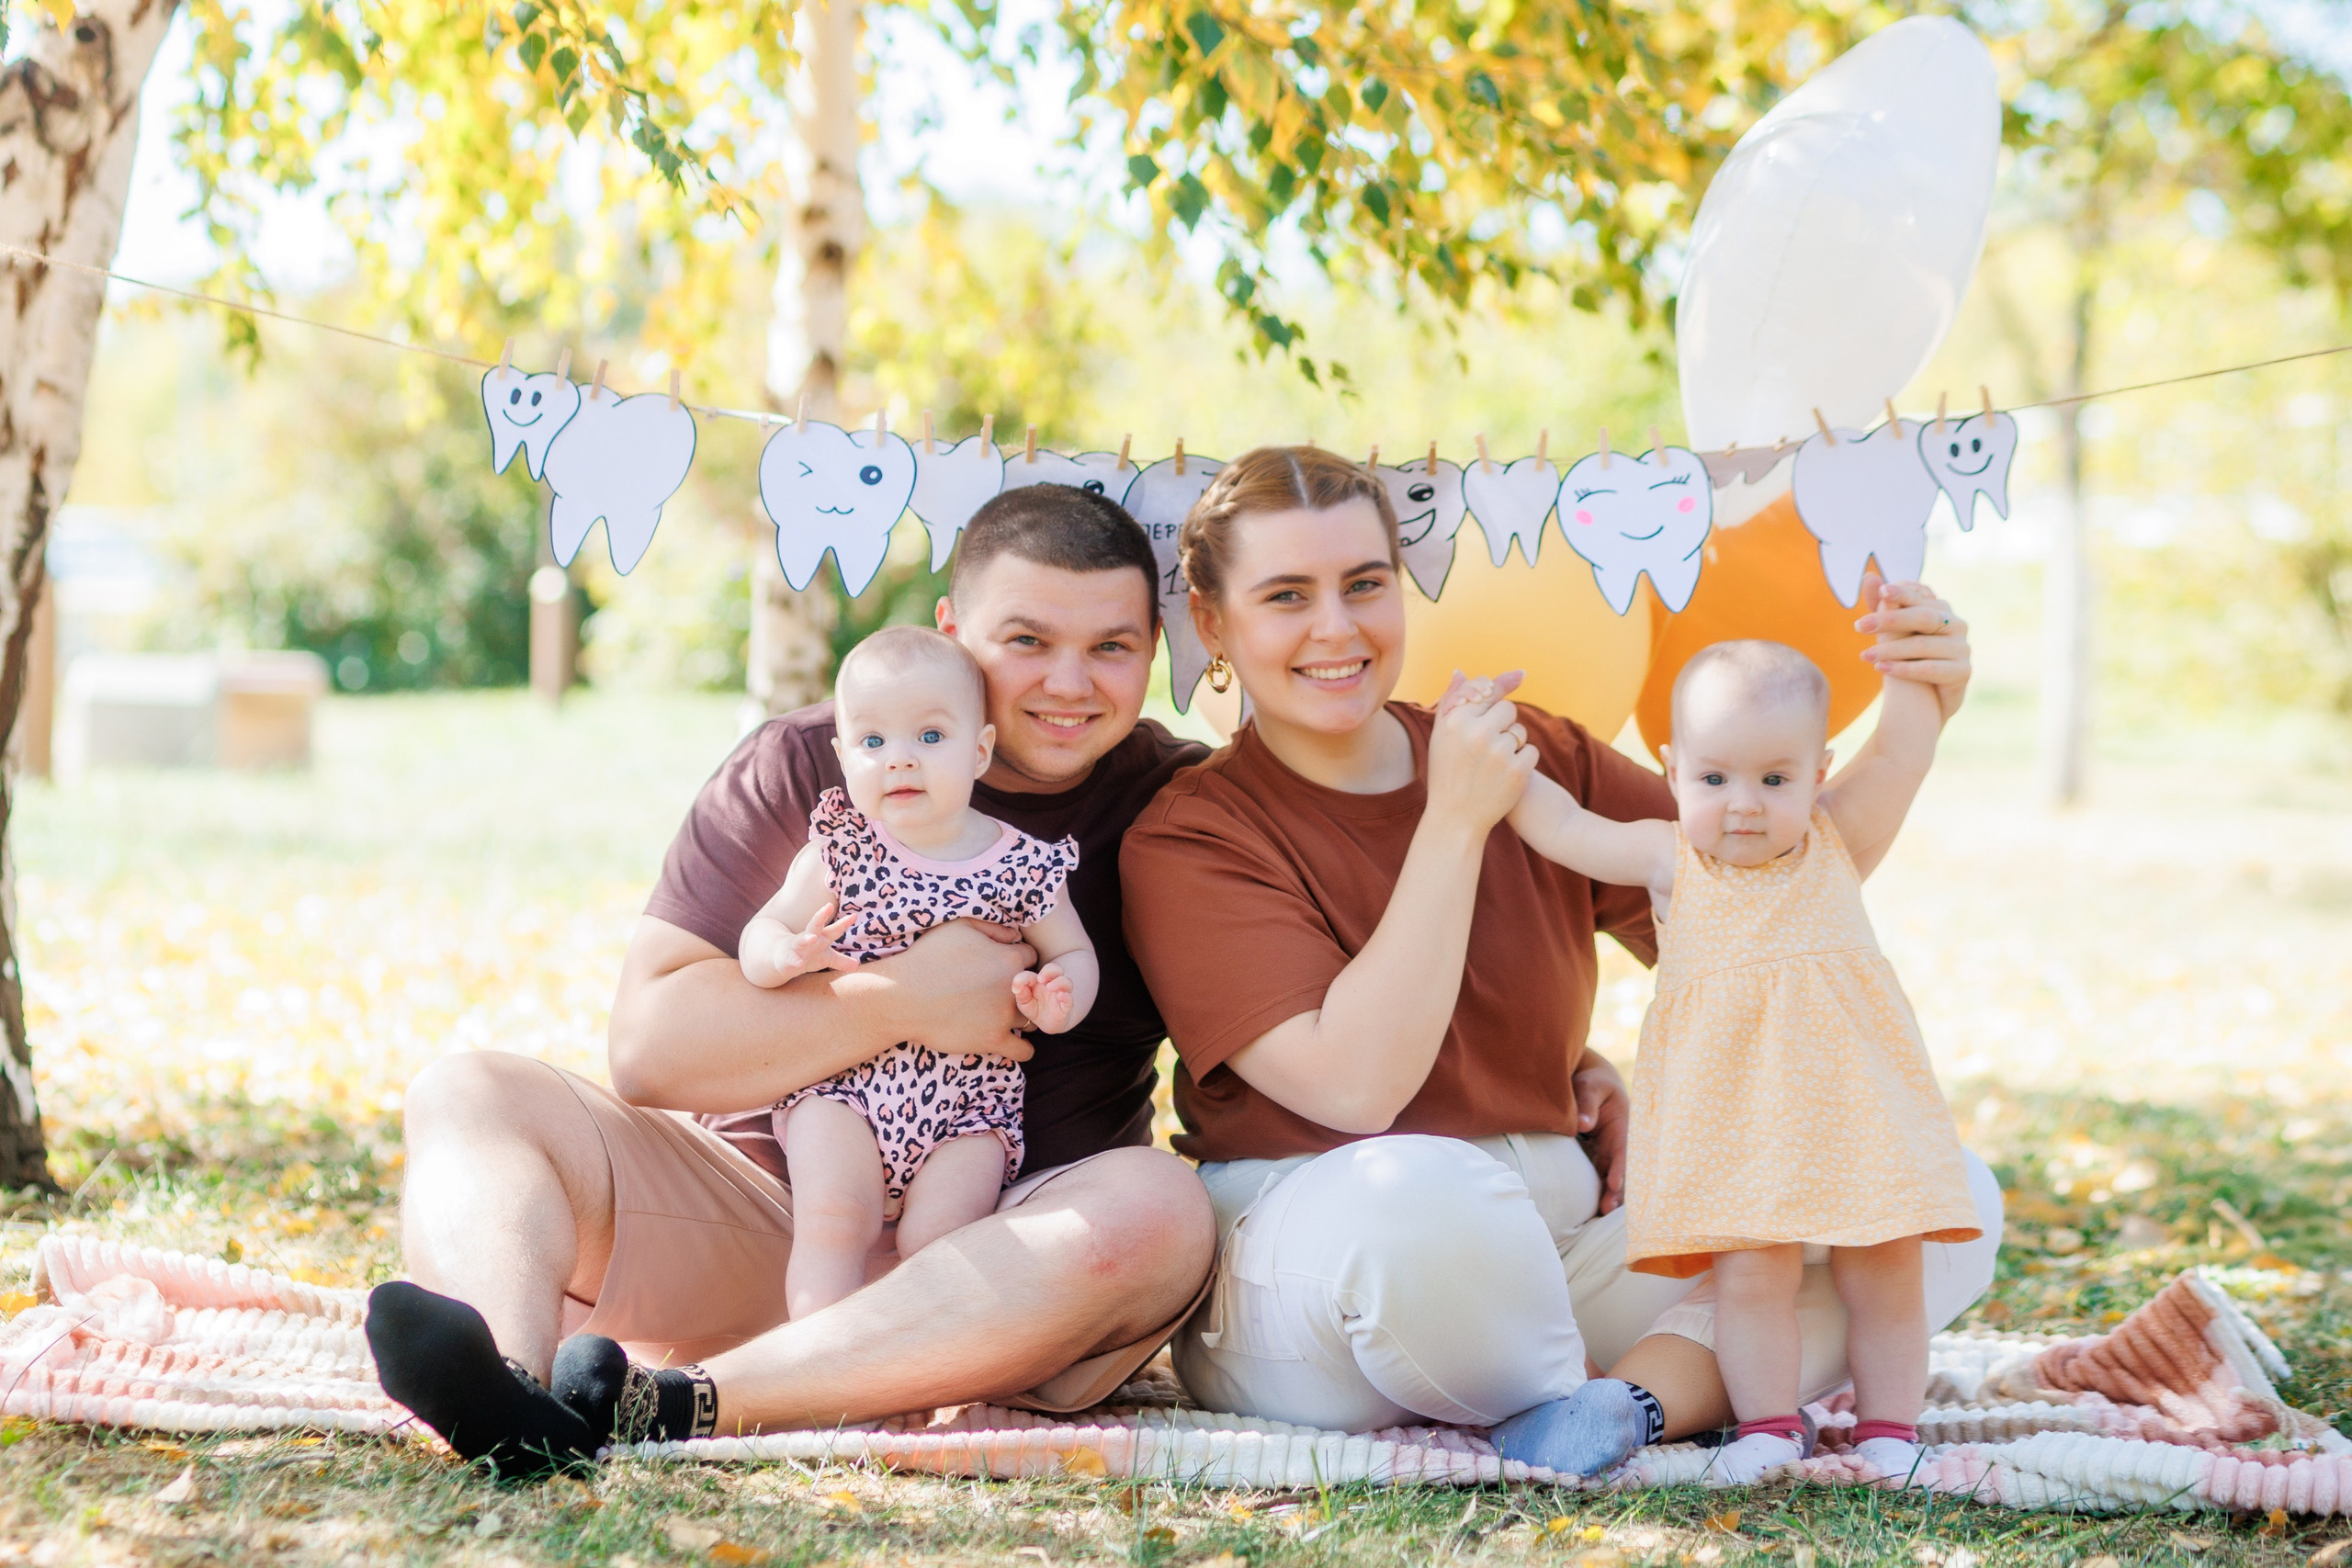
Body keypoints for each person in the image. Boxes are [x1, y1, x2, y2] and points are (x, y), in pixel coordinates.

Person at [1119, 445, 2000, 1480]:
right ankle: (1592, 1380)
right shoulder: (1193, 835)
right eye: (1285, 595)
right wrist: (1455, 820)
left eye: (1364, 584)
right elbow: (1357, 1090)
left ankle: (1618, 1407)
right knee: (1423, 1199)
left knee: (1932, 1206)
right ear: (1214, 625)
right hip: (1328, 1255)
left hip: (1558, 1234)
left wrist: (1917, 704)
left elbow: (1774, 875)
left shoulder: (1527, 748)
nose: (1336, 627)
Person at [366, 486, 1216, 1477]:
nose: (1067, 683)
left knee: (1162, 1209)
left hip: (1008, 1263)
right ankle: (511, 1393)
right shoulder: (809, 765)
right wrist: (901, 999)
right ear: (951, 629)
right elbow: (649, 1049)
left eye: (1111, 647)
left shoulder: (1182, 803)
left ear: (1154, 649)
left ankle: (687, 1408)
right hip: (766, 1212)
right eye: (1025, 640)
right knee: (467, 1092)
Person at [1492, 639, 1979, 1483]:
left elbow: (1901, 751)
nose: (1744, 805)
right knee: (1753, 1276)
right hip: (1739, 1123)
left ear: (1818, 771)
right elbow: (1562, 825)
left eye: (1775, 779)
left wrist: (1913, 666)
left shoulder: (1833, 841)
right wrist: (1496, 751)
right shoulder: (1666, 857)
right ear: (1672, 767)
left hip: (1858, 1106)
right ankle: (1767, 1426)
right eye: (1714, 779)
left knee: (1889, 1267)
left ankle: (1891, 1430)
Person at [738, 625, 1099, 1321]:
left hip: (968, 1106)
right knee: (834, 1219)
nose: (899, 760)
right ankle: (822, 1366)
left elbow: (1074, 955)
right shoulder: (839, 853)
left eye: (930, 737)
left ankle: (907, 1364)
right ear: (844, 758)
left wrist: (1062, 1000)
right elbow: (763, 929)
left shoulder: (1022, 863)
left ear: (981, 749)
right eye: (873, 743)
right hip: (843, 1088)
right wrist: (785, 955)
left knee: (943, 1240)